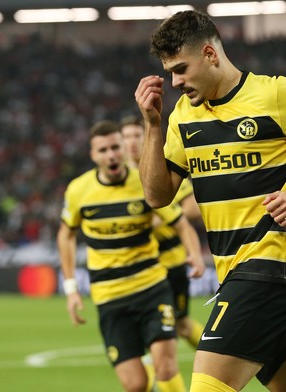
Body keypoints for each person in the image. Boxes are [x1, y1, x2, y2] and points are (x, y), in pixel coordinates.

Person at [135, 10, 286, 392]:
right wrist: (151, 126)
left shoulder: (277, 94)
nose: (174, 82)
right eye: (169, 72)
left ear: (210, 54)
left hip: (271, 266)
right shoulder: (182, 115)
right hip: (234, 272)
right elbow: (157, 196)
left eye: (181, 69)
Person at [57, 120, 203, 392]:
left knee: (166, 365)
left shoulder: (145, 182)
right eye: (103, 150)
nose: (111, 154)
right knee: (136, 384)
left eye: (115, 147)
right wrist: (71, 289)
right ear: (93, 155)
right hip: (109, 297)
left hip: (152, 288)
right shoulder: (78, 191)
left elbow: (181, 222)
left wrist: (194, 253)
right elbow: (65, 234)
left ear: (124, 149)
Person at [121, 114, 206, 348]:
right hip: (137, 265)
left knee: (182, 325)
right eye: (126, 137)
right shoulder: (118, 179)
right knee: (140, 327)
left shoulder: (160, 172)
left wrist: (162, 217)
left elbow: (192, 208)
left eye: (136, 135)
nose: (131, 142)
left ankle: (223, 360)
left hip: (170, 263)